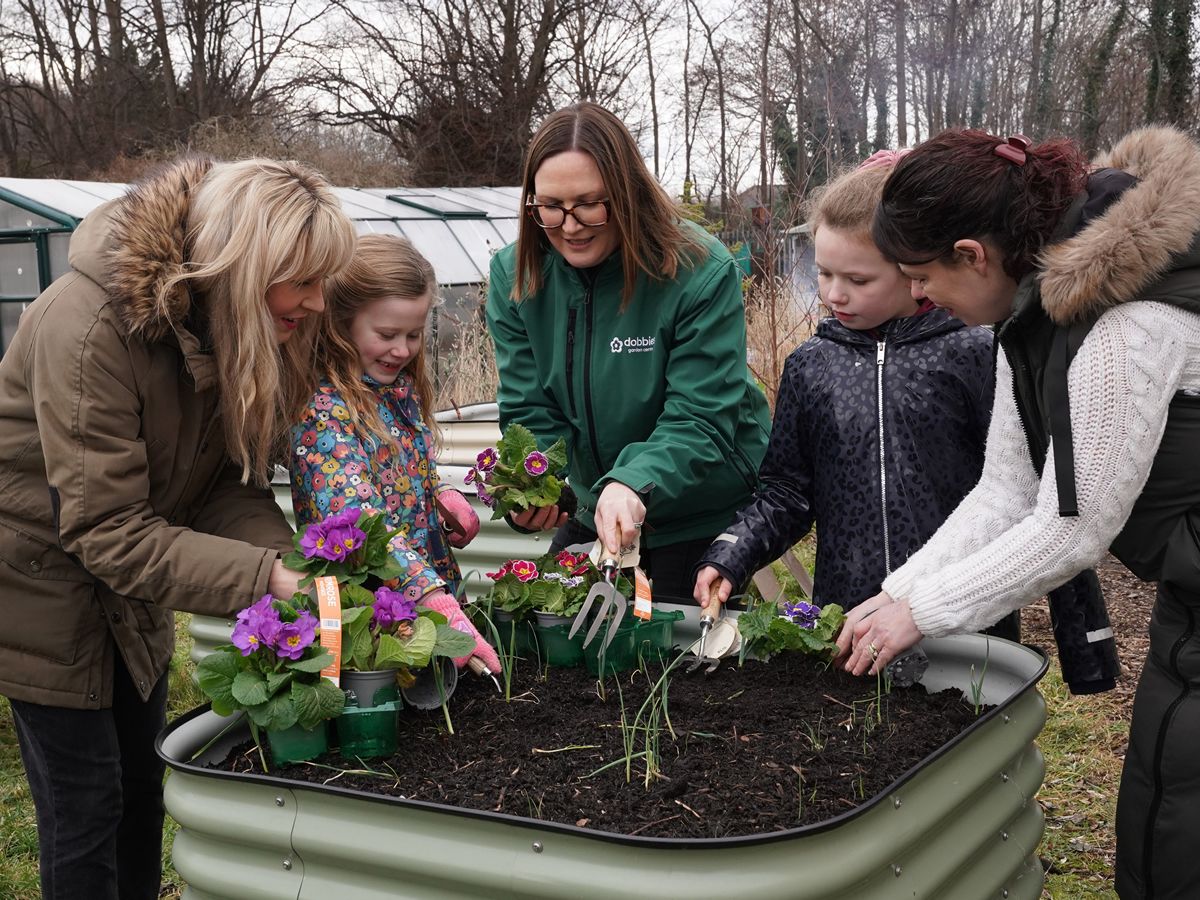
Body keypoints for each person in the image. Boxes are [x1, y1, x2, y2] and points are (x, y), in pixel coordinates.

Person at [834, 127, 1200, 899]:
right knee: (1162, 810)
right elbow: (1006, 490)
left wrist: (923, 614)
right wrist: (895, 594)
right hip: (1190, 586)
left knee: (1179, 829)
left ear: (974, 254)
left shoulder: (1124, 324)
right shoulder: (1029, 310)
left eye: (922, 276)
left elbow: (1074, 527)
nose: (920, 297)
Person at [0, 156, 358, 899]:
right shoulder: (90, 325)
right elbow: (105, 530)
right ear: (244, 265)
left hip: (133, 586)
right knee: (85, 811)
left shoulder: (221, 326)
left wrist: (284, 559)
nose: (319, 303)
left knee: (140, 794)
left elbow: (219, 484)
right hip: (41, 588)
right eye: (303, 281)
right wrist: (267, 578)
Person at [691, 152, 1003, 625]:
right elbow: (785, 493)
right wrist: (730, 555)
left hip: (959, 615)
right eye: (824, 273)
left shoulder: (975, 352)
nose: (834, 294)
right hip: (846, 619)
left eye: (858, 279)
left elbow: (1022, 488)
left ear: (914, 268)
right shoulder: (810, 366)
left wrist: (1088, 645)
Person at [486, 101, 771, 604]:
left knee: (673, 661)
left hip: (697, 507)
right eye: (550, 206)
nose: (569, 226)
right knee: (555, 636)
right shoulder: (517, 276)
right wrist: (542, 488)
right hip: (599, 506)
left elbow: (701, 416)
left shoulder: (697, 269)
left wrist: (633, 482)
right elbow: (529, 410)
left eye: (589, 203)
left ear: (627, 193)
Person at [290, 233, 500, 673]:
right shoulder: (324, 412)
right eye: (387, 334)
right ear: (340, 323)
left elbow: (397, 472)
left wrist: (436, 494)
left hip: (421, 588)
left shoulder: (395, 392)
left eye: (414, 334)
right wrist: (432, 598)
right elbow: (358, 515)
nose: (402, 350)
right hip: (368, 611)